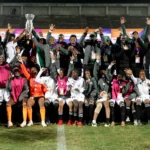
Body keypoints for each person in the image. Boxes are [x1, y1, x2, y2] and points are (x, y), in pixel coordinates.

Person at [19, 56, 47, 127]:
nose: (33, 70)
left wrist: (46, 93)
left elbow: (44, 88)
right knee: (28, 104)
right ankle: (30, 121)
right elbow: (24, 71)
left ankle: (43, 121)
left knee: (41, 104)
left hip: (40, 94)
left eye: (34, 69)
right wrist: (21, 63)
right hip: (32, 95)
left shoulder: (41, 78)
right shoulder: (29, 77)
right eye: (31, 69)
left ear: (37, 70)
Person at [92, 56, 112, 127]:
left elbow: (109, 75)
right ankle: (94, 121)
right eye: (102, 71)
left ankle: (107, 122)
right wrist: (97, 61)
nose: (103, 72)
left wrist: (107, 70)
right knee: (99, 105)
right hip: (99, 97)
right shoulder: (98, 79)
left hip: (107, 96)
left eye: (104, 71)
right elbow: (94, 72)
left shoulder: (109, 79)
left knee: (106, 103)